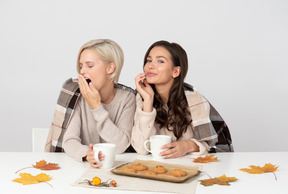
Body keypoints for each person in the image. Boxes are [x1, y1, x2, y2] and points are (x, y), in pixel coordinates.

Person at [131, 40, 233, 159]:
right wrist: (148, 101)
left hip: (192, 166)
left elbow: (215, 146)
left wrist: (189, 146)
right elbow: (141, 149)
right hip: (156, 168)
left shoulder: (194, 99)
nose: (151, 66)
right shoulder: (141, 96)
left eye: (160, 61)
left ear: (175, 71)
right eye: (149, 60)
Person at [45, 39, 136, 167]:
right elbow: (69, 140)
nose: (82, 72)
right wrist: (87, 154)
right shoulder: (76, 94)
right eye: (81, 66)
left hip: (116, 166)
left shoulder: (128, 98)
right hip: (81, 167)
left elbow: (121, 146)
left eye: (90, 65)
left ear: (110, 68)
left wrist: (96, 107)